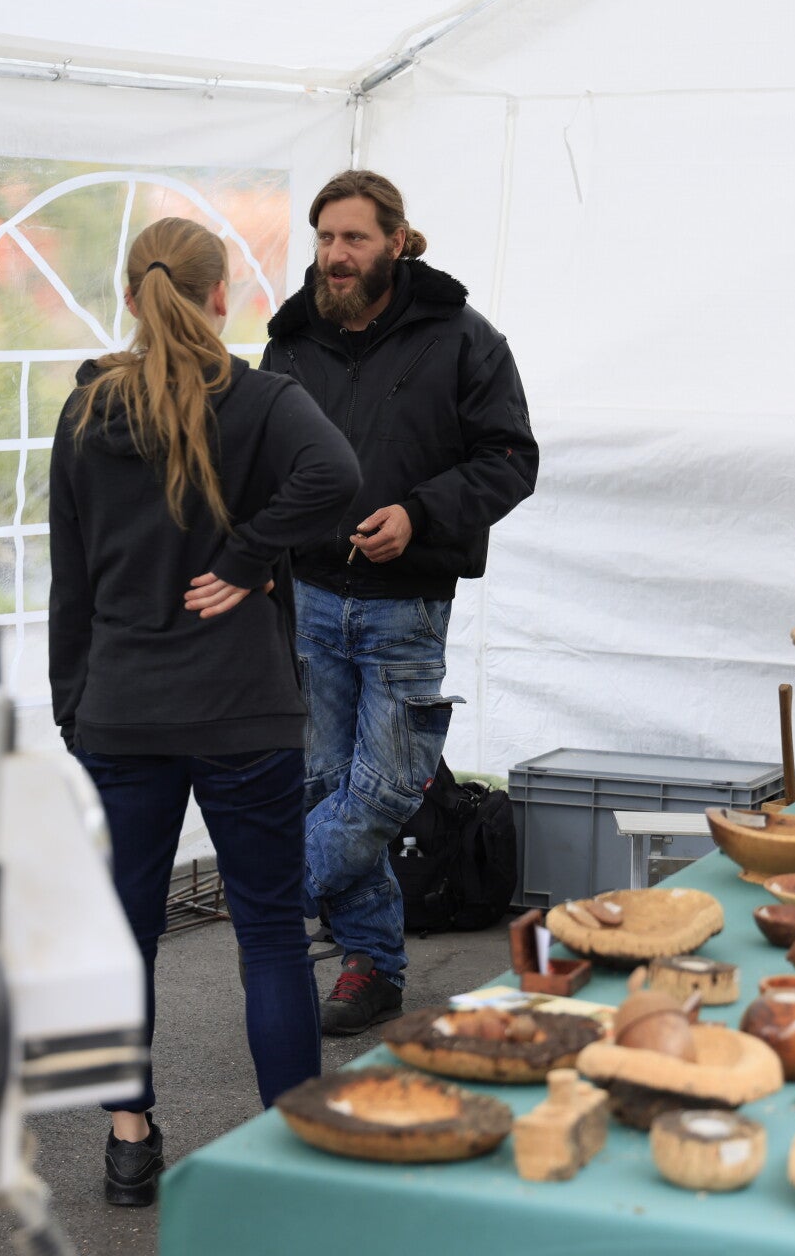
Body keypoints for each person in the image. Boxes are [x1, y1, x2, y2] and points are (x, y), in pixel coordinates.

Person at [49, 217, 361, 1206]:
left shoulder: (87, 410)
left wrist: (72, 707)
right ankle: (291, 1150)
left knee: (124, 934)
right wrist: (246, 556)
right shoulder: (263, 400)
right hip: (242, 710)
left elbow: (69, 578)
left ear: (130, 298)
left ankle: (128, 1142)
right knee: (269, 935)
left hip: (122, 712)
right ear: (220, 296)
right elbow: (339, 475)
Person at [260, 170, 540, 1035]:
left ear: (396, 240)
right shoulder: (290, 341)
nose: (334, 255)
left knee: (382, 793)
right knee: (322, 786)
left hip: (406, 602)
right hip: (307, 596)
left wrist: (418, 515)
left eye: (353, 238)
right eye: (324, 238)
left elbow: (510, 459)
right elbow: (259, 460)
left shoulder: (463, 338)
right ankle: (372, 965)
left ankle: (270, 887)